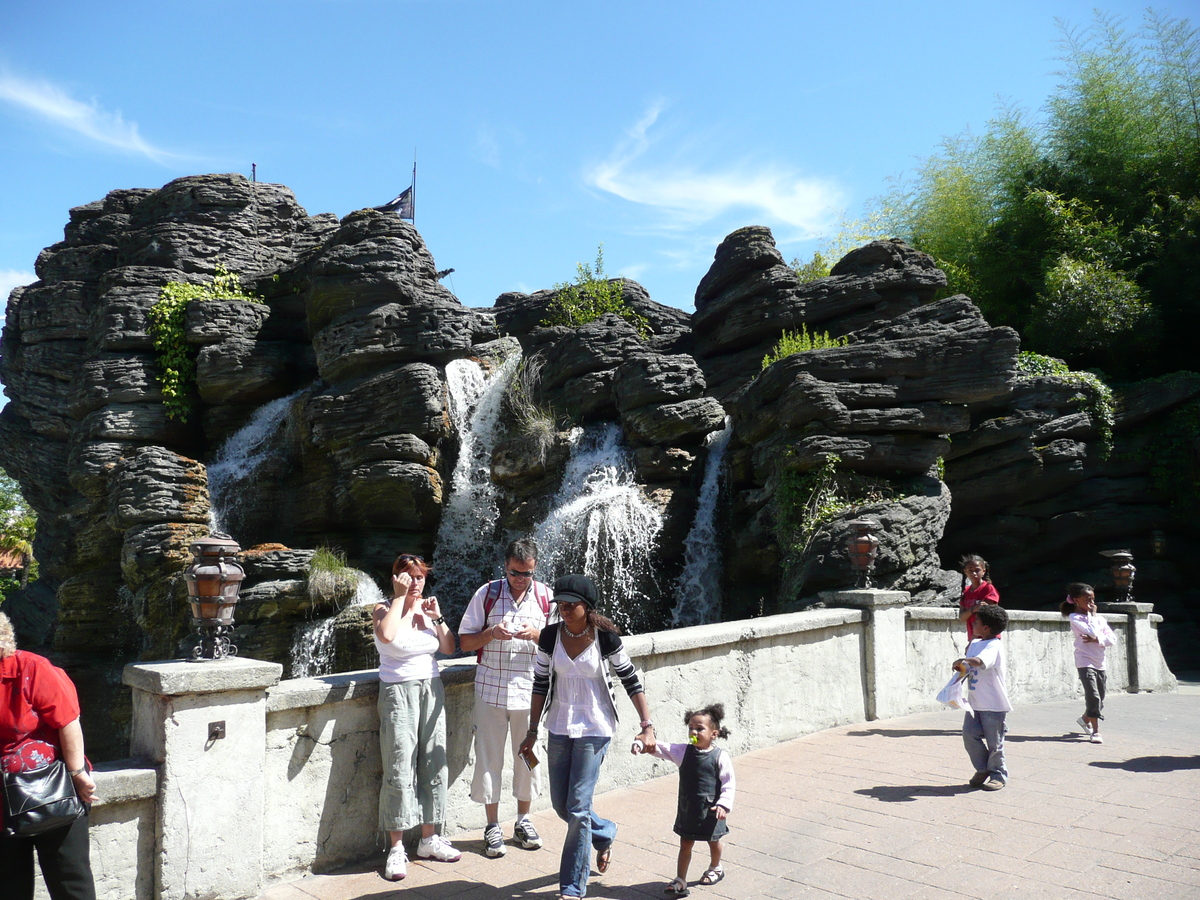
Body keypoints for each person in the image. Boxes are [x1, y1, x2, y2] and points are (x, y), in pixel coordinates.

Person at [518, 574, 657, 900]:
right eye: (561, 605)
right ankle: (605, 832)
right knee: (562, 805)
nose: (564, 610)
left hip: (595, 726)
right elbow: (540, 683)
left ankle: (572, 888)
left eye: (571, 605)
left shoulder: (605, 636)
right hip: (560, 725)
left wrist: (647, 724)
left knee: (578, 808)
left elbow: (631, 679)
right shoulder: (551, 636)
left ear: (587, 606)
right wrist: (531, 730)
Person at [458, 539, 552, 858]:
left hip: (530, 693)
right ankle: (492, 826)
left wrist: (537, 634)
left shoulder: (546, 598)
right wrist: (491, 634)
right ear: (505, 566)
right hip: (490, 691)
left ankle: (524, 820)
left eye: (526, 574)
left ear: (534, 568)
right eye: (514, 573)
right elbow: (466, 641)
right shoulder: (486, 594)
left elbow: (560, 642)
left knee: (528, 756)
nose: (520, 579)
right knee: (488, 759)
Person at [374, 553, 461, 882]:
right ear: (396, 577)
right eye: (408, 576)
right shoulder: (384, 608)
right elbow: (386, 635)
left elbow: (450, 648)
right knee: (399, 765)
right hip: (398, 692)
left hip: (432, 688)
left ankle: (428, 839)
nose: (415, 582)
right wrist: (399, 598)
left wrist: (437, 618)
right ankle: (397, 848)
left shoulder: (428, 611)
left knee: (433, 762)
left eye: (420, 576)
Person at [0, 611, 98, 900]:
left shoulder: (32, 668)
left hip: (50, 791)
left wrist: (78, 773)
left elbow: (68, 721)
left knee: (70, 883)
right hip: (1, 804)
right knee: (8, 888)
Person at [648, 703, 736, 897]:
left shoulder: (720, 757)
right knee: (685, 843)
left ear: (714, 734)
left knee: (714, 841)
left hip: (712, 810)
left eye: (699, 728)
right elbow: (664, 748)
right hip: (688, 809)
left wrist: (723, 804)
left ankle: (715, 867)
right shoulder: (684, 752)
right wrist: (646, 743)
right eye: (691, 728)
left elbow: (729, 783)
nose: (693, 732)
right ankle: (680, 879)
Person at [954, 603, 1011, 791]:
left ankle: (998, 775)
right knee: (969, 735)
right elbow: (969, 665)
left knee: (995, 743)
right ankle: (982, 769)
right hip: (974, 703)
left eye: (976, 622)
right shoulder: (975, 643)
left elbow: (979, 662)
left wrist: (964, 661)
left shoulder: (994, 645)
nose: (973, 624)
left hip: (993, 705)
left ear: (986, 627)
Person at [1061, 582, 1117, 744]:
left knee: (1100, 698)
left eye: (1093, 599)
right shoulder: (1075, 618)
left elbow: (1111, 639)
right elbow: (1090, 632)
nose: (1092, 603)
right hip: (1084, 661)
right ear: (1076, 600)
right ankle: (1096, 731)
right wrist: (1093, 618)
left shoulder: (1100, 619)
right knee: (1093, 695)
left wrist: (1097, 639)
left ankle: (1085, 718)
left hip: (1100, 661)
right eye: (1088, 599)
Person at [958, 554, 1000, 642]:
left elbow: (989, 617)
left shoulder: (988, 589)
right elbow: (962, 617)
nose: (974, 573)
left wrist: (973, 639)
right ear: (965, 571)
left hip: (988, 638)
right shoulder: (966, 592)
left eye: (977, 570)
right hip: (973, 639)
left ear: (983, 571)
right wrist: (974, 609)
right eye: (970, 570)